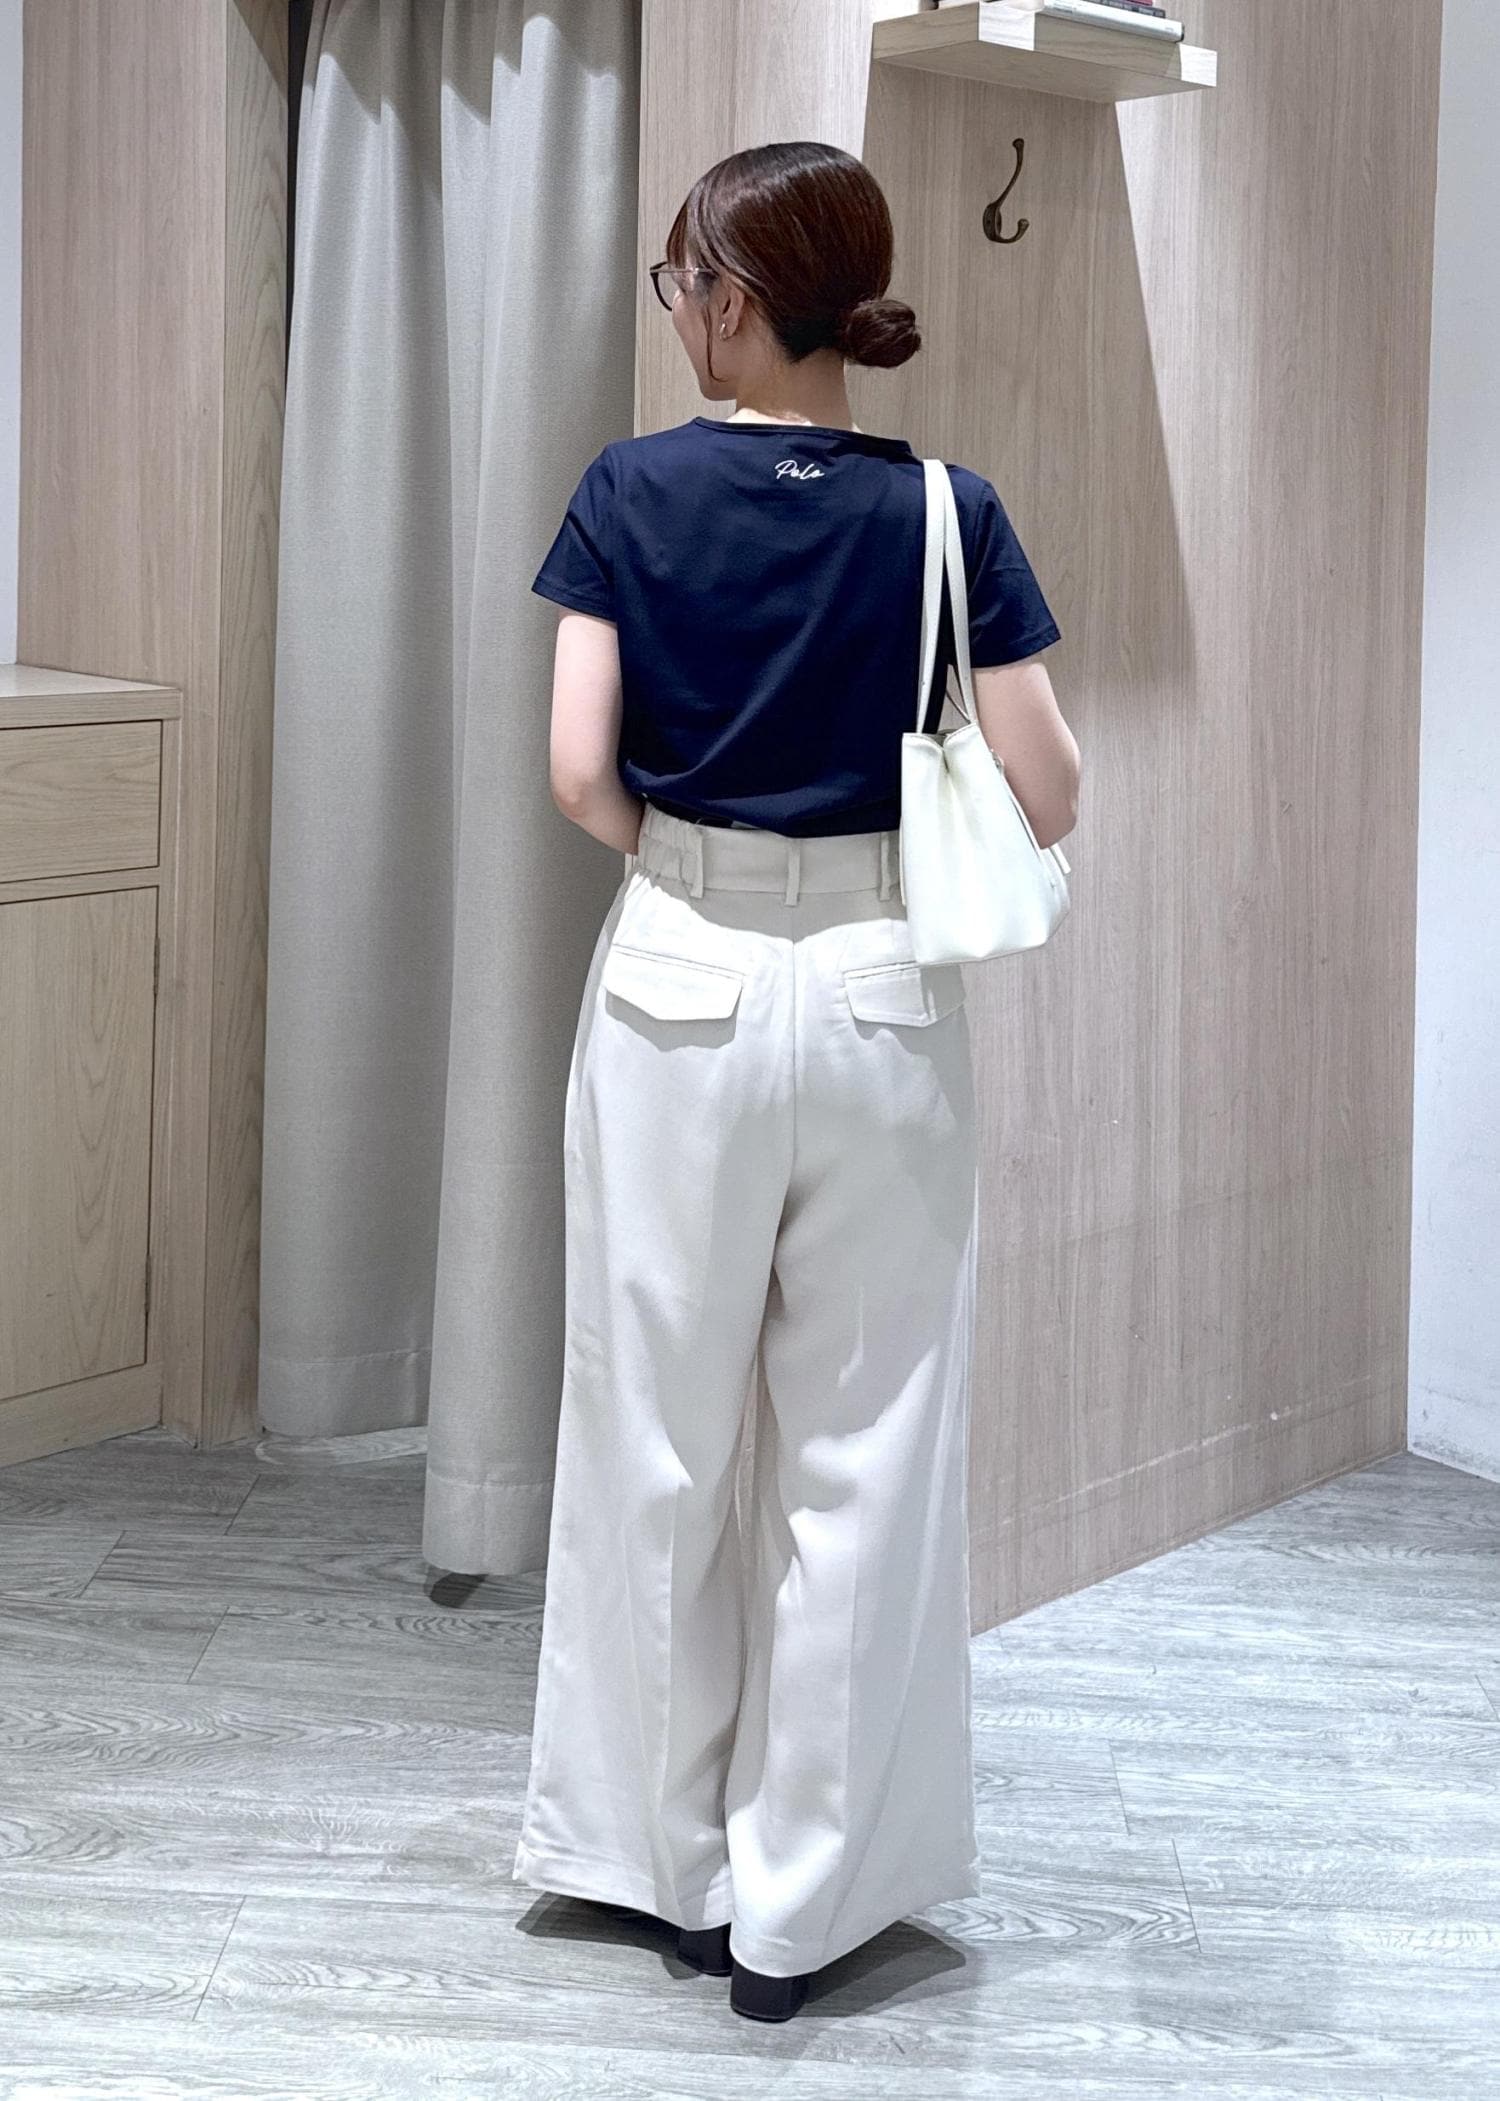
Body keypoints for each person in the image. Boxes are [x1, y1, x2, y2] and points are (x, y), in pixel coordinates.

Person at [512, 139, 1080, 2023]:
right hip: (879, 993)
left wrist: (695, 868)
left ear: (736, 299)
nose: (678, 308)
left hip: (678, 972)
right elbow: (1051, 785)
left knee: (654, 1434)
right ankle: (799, 1912)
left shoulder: (629, 490)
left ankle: (656, 1864)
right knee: (866, 1450)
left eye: (684, 278)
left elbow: (579, 770)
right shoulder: (947, 512)